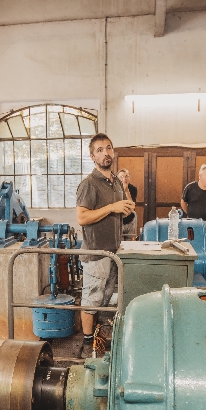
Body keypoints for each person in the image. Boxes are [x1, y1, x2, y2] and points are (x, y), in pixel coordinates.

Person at [76, 134, 135, 351]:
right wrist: (112, 208)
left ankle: (98, 339)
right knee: (91, 300)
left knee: (105, 298)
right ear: (92, 156)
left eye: (108, 148)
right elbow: (82, 218)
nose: (106, 153)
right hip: (95, 254)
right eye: (100, 150)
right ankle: (86, 345)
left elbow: (122, 212)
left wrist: (126, 208)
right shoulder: (89, 184)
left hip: (113, 253)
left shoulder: (116, 182)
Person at [117, 169, 138, 240]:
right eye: (121, 176)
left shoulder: (133, 188)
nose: (124, 179)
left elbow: (132, 205)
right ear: (117, 178)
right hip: (118, 221)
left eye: (126, 176)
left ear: (129, 177)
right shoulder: (115, 188)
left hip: (130, 219)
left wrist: (126, 190)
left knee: (129, 243)